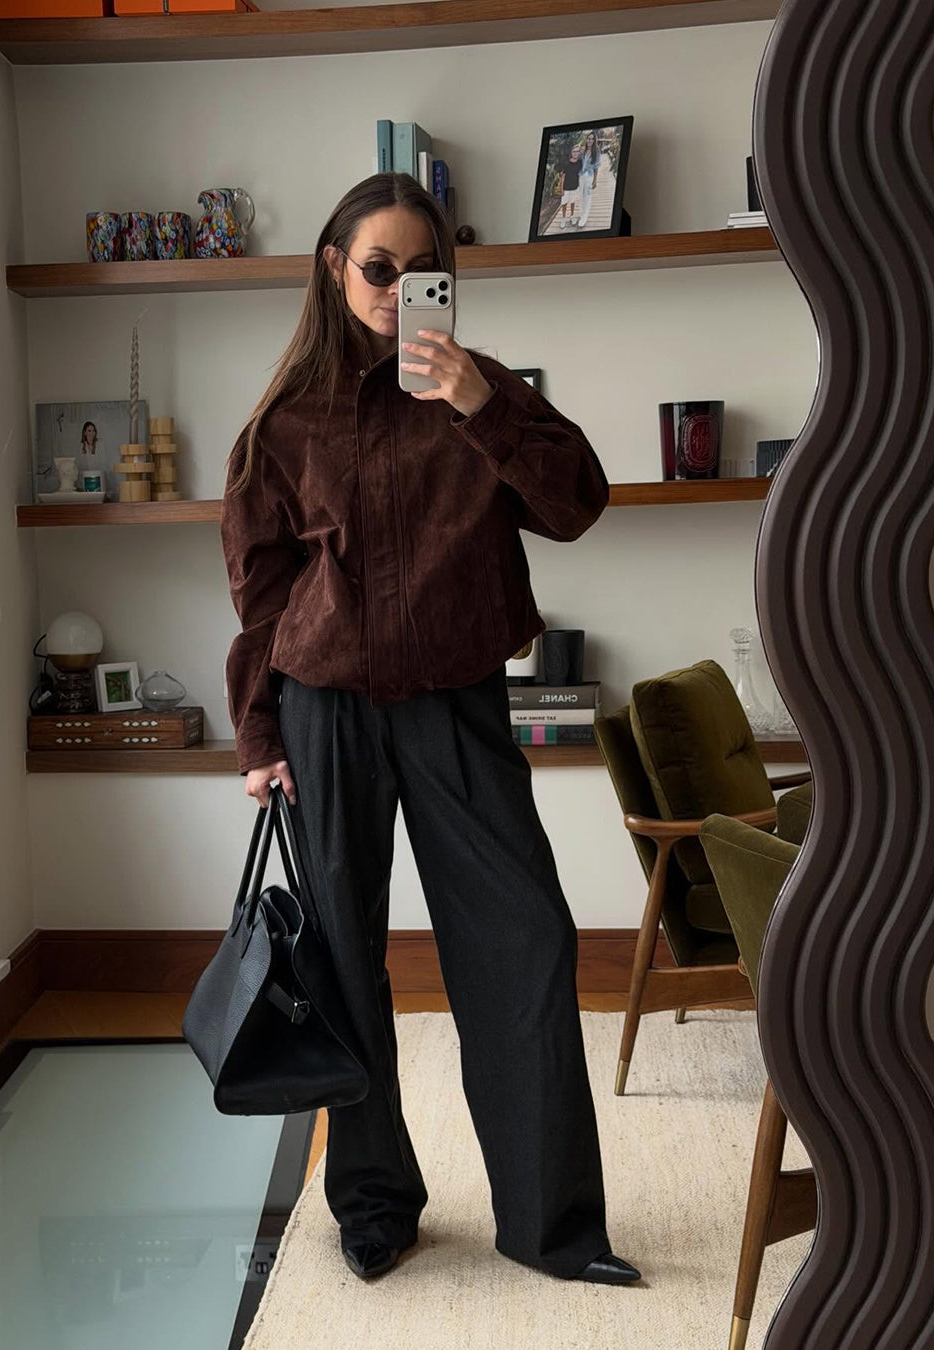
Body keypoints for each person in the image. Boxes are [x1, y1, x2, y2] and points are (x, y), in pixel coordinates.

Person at [219, 171, 640, 1289]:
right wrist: (260, 735)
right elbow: (262, 602)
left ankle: (554, 1227)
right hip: (326, 714)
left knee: (527, 943)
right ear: (334, 267)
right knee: (344, 962)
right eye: (379, 268)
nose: (398, 288)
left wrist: (479, 402)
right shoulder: (283, 425)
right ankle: (373, 1207)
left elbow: (579, 503)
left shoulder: (484, 393)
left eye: (424, 271)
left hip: (458, 707)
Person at [576, 130, 602, 229]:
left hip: (589, 176)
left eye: (592, 139)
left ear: (594, 140)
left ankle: (584, 218)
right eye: (588, 138)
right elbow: (577, 158)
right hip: (581, 175)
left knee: (587, 197)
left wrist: (595, 181)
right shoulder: (584, 150)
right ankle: (581, 214)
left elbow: (596, 167)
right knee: (581, 196)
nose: (590, 140)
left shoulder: (597, 152)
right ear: (586, 140)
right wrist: (578, 149)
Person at [557, 141, 583, 229]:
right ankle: (563, 218)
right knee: (564, 203)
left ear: (579, 153)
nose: (575, 153)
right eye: (574, 151)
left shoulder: (580, 163)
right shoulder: (566, 163)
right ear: (571, 153)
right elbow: (562, 176)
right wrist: (561, 188)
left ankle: (572, 216)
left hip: (574, 187)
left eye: (577, 151)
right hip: (566, 188)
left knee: (572, 202)